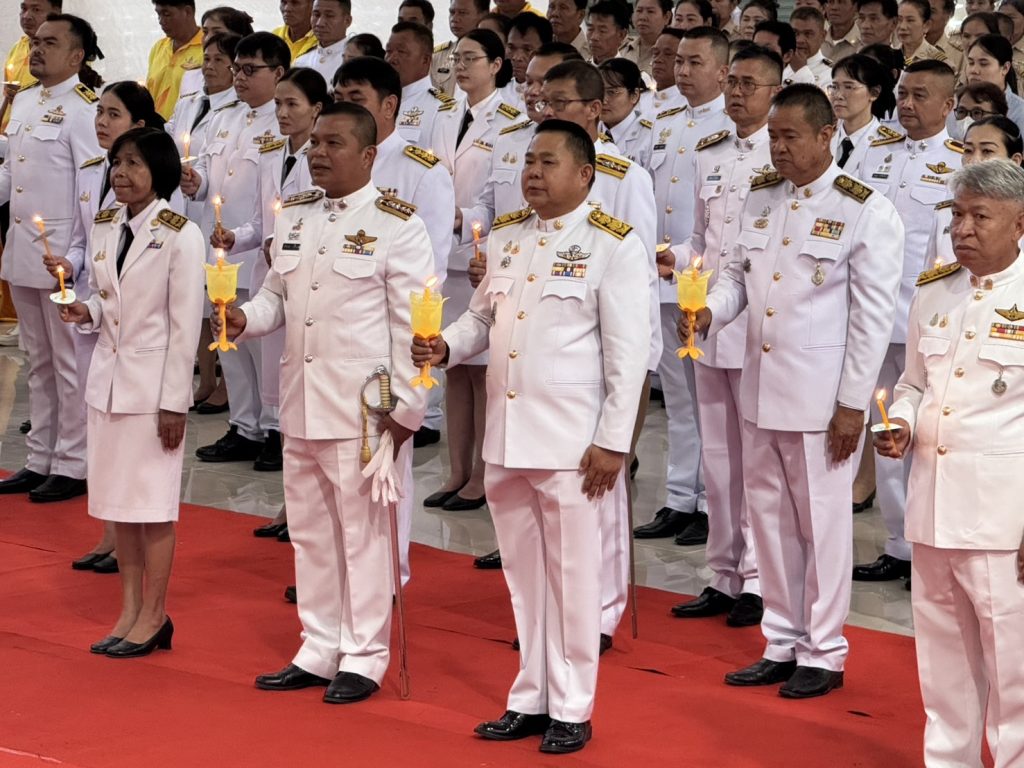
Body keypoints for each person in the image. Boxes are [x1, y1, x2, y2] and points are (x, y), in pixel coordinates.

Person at [413, 119, 650, 755]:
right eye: (528, 162)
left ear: (585, 174)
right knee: (524, 578)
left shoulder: (613, 244)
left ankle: (573, 706)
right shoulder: (510, 235)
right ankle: (531, 696)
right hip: (508, 438)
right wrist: (445, 346)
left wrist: (614, 442)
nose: (533, 174)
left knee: (573, 579)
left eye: (548, 162)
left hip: (572, 445)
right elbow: (483, 318)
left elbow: (629, 356)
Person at [684, 83, 903, 699]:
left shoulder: (864, 210)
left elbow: (871, 320)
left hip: (821, 401)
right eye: (774, 137)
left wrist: (852, 405)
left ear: (826, 135)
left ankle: (825, 651)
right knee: (771, 521)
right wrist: (711, 312)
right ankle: (781, 640)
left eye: (790, 137)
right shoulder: (762, 196)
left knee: (822, 526)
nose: (777, 148)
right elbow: (737, 276)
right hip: (760, 390)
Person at [220, 101, 431, 704]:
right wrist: (244, 319)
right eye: (315, 142)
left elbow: (412, 327)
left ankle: (364, 654)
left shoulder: (397, 224)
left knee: (364, 536)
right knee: (312, 534)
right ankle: (318, 645)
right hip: (301, 400)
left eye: (333, 143)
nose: (317, 152)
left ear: (368, 154)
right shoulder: (296, 214)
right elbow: (275, 298)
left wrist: (405, 411)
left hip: (365, 409)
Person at [876, 158, 1024, 768]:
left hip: (1001, 519)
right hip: (933, 506)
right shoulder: (935, 290)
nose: (962, 228)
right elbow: (913, 383)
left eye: (979, 217)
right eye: (957, 214)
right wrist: (903, 422)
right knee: (943, 667)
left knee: (1013, 671)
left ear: (1019, 224)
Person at [58, 126, 205, 658]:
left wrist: (174, 403)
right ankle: (128, 609)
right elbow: (110, 300)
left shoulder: (181, 235)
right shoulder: (106, 225)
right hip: (108, 385)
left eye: (134, 164)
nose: (121, 173)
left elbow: (184, 327)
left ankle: (155, 613)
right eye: (117, 163)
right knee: (120, 505)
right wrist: (87, 311)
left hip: (152, 391)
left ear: (159, 172)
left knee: (153, 506)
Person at [668, 44, 783, 628]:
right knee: (718, 459)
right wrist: (669, 258)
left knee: (757, 462)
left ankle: (759, 580)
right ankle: (724, 573)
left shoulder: (782, 156)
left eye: (749, 84)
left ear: (775, 92)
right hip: (708, 323)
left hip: (757, 327)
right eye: (732, 82)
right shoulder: (710, 152)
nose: (736, 92)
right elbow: (699, 240)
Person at [333, 55, 456, 573]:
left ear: (389, 106)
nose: (344, 106)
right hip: (333, 340)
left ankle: (385, 574)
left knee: (381, 467)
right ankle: (338, 576)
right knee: (334, 471)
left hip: (386, 340)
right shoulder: (328, 158)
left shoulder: (421, 170)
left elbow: (430, 273)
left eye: (356, 98)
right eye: (339, 96)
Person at [855, 60, 960, 586]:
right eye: (902, 94)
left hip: (926, 321)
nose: (907, 104)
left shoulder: (959, 162)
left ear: (948, 105)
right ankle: (898, 545)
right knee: (886, 430)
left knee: (928, 435)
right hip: (871, 315)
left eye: (921, 95)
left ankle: (929, 548)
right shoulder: (874, 150)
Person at [65, 83, 173, 575]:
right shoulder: (95, 172)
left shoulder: (163, 203)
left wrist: (175, 398)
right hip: (100, 317)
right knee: (101, 435)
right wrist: (79, 290)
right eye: (100, 113)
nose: (102, 122)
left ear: (139, 124)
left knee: (139, 461)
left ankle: (125, 541)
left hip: (143, 343)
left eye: (114, 114)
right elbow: (85, 239)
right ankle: (109, 532)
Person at [0, 14, 102, 503]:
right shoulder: (23, 101)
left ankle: (73, 463)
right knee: (37, 362)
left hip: (62, 255)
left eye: (50, 43)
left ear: (76, 56)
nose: (37, 50)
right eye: (35, 42)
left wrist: (79, 257)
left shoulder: (85, 109)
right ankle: (39, 457)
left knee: (68, 364)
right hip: (24, 250)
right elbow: (12, 173)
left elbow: (90, 190)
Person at [633, 27, 729, 544]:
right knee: (678, 398)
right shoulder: (663, 123)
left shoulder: (732, 129)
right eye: (680, 62)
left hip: (710, 288)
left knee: (711, 402)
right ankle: (678, 496)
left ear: (722, 72)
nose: (683, 71)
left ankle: (712, 503)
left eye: (695, 62)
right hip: (665, 277)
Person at [182, 32, 291, 469]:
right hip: (223, 252)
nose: (239, 77)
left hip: (259, 252)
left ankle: (275, 429)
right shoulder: (225, 116)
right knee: (229, 344)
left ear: (278, 73)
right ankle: (244, 426)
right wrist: (197, 184)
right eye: (237, 69)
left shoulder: (282, 123)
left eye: (250, 69)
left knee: (265, 350)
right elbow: (212, 177)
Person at [428, 29, 517, 513]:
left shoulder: (511, 120)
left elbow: (503, 199)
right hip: (443, 252)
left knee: (482, 373)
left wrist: (465, 219)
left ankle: (481, 474)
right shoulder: (443, 113)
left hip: (481, 257)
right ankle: (456, 469)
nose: (460, 67)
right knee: (453, 369)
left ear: (497, 65)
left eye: (470, 58)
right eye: (455, 58)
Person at [167, 32, 242, 414]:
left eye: (218, 60)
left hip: (215, 217)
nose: (209, 66)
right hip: (187, 209)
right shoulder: (191, 102)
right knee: (195, 300)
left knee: (220, 300)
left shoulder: (237, 109)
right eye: (206, 59)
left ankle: (228, 385)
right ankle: (207, 378)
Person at [926, 115, 1021, 267]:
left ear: (1014, 161)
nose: (974, 160)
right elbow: (932, 272)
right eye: (968, 150)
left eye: (987, 151)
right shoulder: (944, 213)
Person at [387, 21, 454, 147]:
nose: (391, 59)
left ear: (425, 60)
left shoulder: (442, 109)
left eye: (401, 51)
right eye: (389, 51)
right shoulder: (378, 101)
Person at [829, 54, 896, 176]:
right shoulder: (821, 135)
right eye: (834, 87)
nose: (838, 95)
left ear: (874, 93)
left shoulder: (892, 146)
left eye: (849, 87)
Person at [147, 0, 203, 120]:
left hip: (186, 129)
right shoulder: (159, 47)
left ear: (187, 12)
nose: (161, 21)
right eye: (158, 14)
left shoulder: (208, 50)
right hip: (154, 128)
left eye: (167, 14)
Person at [960, 35, 1024, 130]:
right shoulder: (955, 104)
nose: (974, 70)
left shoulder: (1020, 112)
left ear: (1005, 68)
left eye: (983, 64)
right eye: (971, 63)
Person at [598, 58, 651, 165]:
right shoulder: (588, 130)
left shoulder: (650, 136)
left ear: (634, 95)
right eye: (599, 91)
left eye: (612, 92)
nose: (603, 100)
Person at [432, 0, 489, 95]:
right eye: (452, 12)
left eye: (462, 13)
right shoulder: (437, 56)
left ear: (483, 15)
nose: (454, 19)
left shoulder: (492, 56)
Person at [294, 0, 352, 83]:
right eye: (316, 15)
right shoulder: (301, 62)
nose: (319, 23)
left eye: (329, 16)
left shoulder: (356, 62)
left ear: (347, 21)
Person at [504, 13, 553, 111]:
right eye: (511, 48)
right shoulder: (495, 90)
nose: (517, 58)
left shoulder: (552, 95)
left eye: (527, 49)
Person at [621, 0, 674, 75]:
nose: (642, 17)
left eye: (650, 11)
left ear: (667, 17)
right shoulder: (621, 47)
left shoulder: (675, 53)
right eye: (639, 11)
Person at [788, 7, 832, 86]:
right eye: (795, 33)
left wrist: (801, 71)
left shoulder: (832, 73)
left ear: (823, 36)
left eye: (808, 34)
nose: (800, 40)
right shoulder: (780, 65)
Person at [897, 0, 947, 66]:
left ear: (926, 25)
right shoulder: (889, 55)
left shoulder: (938, 62)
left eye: (910, 20)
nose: (902, 27)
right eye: (899, 20)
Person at [585, 0, 631, 65]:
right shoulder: (578, 69)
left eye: (602, 31)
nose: (593, 37)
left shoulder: (630, 71)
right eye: (590, 29)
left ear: (621, 35)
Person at [925, 0, 961, 71]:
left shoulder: (958, 53)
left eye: (932, 12)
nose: (925, 16)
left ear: (948, 15)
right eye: (923, 11)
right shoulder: (906, 47)